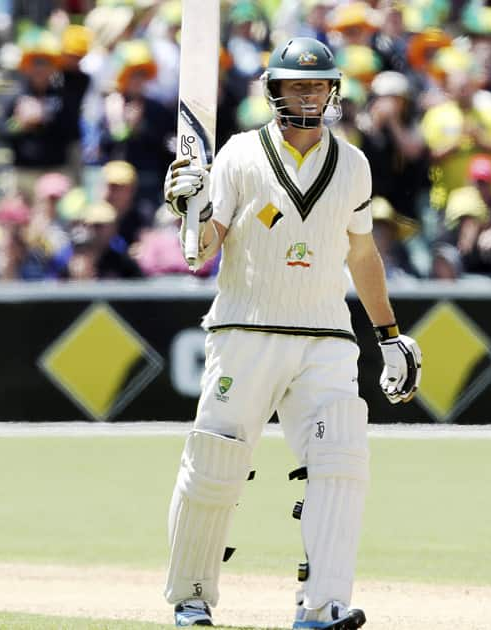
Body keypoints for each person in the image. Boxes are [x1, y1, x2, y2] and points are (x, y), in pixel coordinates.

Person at [161, 37, 422, 629]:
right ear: (274, 90)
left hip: (326, 335)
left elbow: (362, 254)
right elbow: (199, 254)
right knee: (215, 461)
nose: (309, 94)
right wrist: (188, 207)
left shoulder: (353, 164)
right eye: (297, 84)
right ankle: (192, 597)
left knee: (342, 458)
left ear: (334, 91)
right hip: (244, 329)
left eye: (319, 85)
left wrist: (389, 333)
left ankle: (322, 605)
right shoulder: (236, 155)